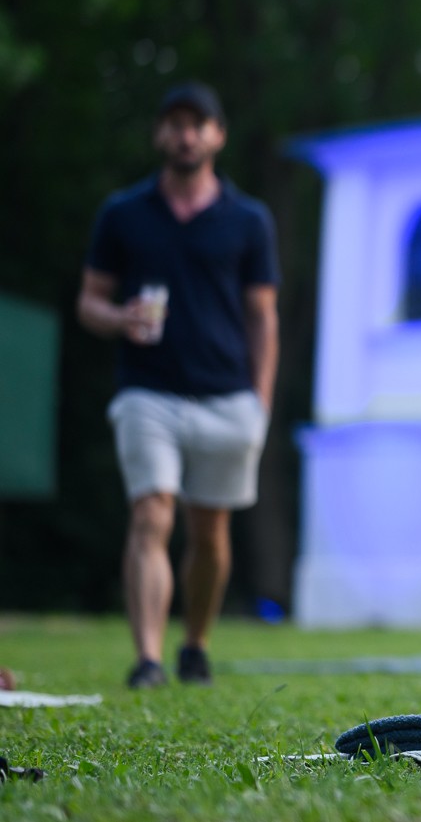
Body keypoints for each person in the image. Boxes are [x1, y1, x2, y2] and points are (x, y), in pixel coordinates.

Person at [77, 82, 278, 690]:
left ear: (218, 135)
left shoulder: (248, 220)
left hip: (226, 396)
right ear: (160, 134)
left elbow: (262, 316)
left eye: (198, 124)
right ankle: (148, 659)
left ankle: (194, 645)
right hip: (148, 393)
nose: (185, 135)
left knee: (210, 535)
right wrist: (120, 318)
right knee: (151, 513)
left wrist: (261, 401)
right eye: (175, 123)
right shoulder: (124, 214)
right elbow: (89, 301)